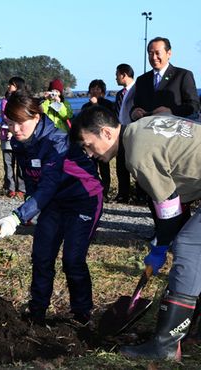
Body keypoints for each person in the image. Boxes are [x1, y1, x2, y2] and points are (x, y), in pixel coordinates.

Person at [69, 105, 200, 361]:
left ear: (106, 133)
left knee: (190, 247)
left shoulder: (137, 154)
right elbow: (173, 206)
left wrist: (161, 246)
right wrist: (163, 240)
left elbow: (171, 211)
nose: (87, 153)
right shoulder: (142, 128)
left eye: (87, 144)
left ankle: (165, 347)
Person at [0, 91, 103, 326]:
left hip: (83, 199)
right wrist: (33, 209)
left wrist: (17, 216)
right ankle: (37, 312)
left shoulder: (56, 142)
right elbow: (33, 180)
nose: (14, 129)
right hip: (53, 202)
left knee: (72, 259)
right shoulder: (19, 142)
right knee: (42, 256)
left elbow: (48, 184)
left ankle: (82, 314)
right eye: (9, 123)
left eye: (19, 123)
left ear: (36, 117)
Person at [131, 36, 199, 122]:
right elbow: (136, 105)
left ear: (169, 53)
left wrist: (171, 111)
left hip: (174, 130)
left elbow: (194, 105)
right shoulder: (142, 80)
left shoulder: (182, 75)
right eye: (150, 53)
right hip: (146, 130)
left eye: (157, 53)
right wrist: (134, 112)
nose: (154, 57)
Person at [81, 79, 114, 202]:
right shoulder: (85, 106)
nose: (95, 90)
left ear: (103, 92)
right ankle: (94, 191)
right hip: (89, 141)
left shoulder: (108, 104)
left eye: (98, 88)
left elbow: (106, 119)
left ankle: (105, 193)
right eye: (93, 88)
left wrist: (95, 105)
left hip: (103, 141)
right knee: (91, 167)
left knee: (104, 167)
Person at [113, 64, 136, 204]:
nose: (115, 78)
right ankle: (123, 194)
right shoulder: (119, 94)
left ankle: (141, 195)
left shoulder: (138, 90)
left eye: (117, 75)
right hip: (120, 131)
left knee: (137, 163)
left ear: (124, 74)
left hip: (134, 130)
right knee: (121, 164)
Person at [0, 77, 26, 198]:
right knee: (8, 163)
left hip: (20, 136)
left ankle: (21, 188)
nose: (8, 86)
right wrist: (10, 128)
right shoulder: (5, 101)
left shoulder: (23, 100)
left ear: (17, 86)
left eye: (11, 84)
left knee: (21, 163)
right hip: (6, 135)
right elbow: (5, 116)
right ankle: (10, 188)